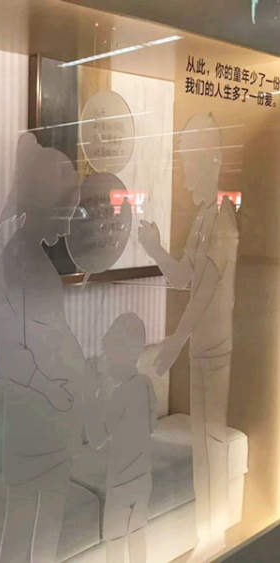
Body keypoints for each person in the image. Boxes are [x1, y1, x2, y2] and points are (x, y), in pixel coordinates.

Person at [0, 132, 100, 563]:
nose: (68, 224)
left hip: (51, 418)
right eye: (65, 213)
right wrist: (52, 388)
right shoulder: (19, 261)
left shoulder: (30, 258)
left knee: (41, 527)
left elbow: (52, 334)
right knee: (27, 526)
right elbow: (14, 349)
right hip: (36, 418)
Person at [138, 113, 239, 555]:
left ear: (212, 158)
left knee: (211, 442)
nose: (184, 172)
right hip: (201, 350)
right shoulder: (203, 218)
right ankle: (208, 535)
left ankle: (215, 535)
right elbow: (183, 279)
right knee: (203, 444)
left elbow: (203, 296)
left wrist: (172, 346)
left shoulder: (223, 219)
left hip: (213, 350)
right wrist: (154, 247)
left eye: (189, 160)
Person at [95, 313, 156, 563]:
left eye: (109, 356)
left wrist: (98, 394)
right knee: (138, 535)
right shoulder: (146, 384)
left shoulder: (118, 396)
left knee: (116, 543)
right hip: (143, 478)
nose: (107, 362)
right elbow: (152, 425)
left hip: (120, 485)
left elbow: (98, 438)